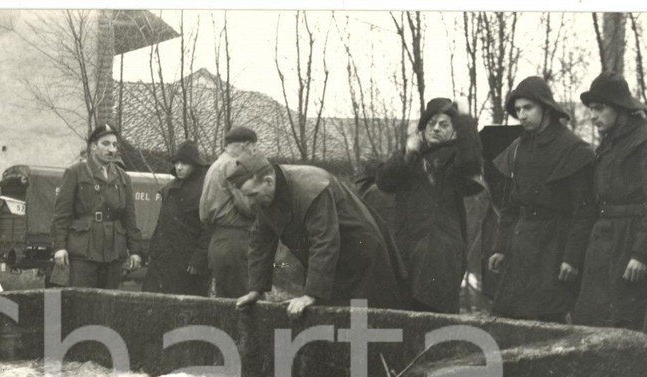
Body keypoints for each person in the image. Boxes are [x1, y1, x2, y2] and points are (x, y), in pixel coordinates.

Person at [229, 151, 410, 318]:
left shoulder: (311, 186)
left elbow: (325, 240)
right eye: (245, 195)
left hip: (360, 255)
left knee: (365, 321)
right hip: (331, 260)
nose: (249, 202)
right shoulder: (266, 196)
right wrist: (256, 289)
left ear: (268, 181)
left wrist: (311, 294)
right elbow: (261, 241)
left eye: (252, 194)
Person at [487, 76, 596, 322]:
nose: (522, 115)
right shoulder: (516, 149)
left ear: (546, 107)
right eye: (517, 110)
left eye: (528, 108)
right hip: (519, 248)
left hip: (553, 251)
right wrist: (500, 247)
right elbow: (509, 206)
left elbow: (583, 212)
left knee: (548, 324)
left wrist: (572, 258)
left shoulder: (572, 148)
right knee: (509, 322)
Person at [376, 98, 484, 313]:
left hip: (441, 255)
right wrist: (408, 154)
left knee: (436, 315)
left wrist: (465, 122)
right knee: (405, 313)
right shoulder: (409, 157)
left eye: (444, 125)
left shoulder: (455, 158)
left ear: (453, 131)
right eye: (431, 123)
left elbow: (471, 163)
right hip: (406, 250)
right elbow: (384, 182)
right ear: (422, 129)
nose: (436, 128)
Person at [572, 72, 647, 333]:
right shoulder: (609, 144)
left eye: (599, 108)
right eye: (591, 109)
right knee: (593, 320)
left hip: (630, 244)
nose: (593, 115)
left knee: (626, 321)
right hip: (603, 241)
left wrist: (641, 253)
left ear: (620, 109)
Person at [51, 123, 142, 289]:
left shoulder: (123, 178)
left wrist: (135, 250)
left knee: (109, 304)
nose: (111, 150)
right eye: (105, 144)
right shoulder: (75, 172)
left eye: (114, 145)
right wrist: (59, 247)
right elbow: (61, 215)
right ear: (93, 147)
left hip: (114, 251)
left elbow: (129, 217)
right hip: (84, 251)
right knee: (82, 303)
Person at [142, 140, 211, 297]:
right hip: (162, 259)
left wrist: (198, 259)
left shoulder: (204, 190)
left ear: (195, 164)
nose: (179, 167)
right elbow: (161, 223)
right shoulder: (170, 188)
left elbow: (208, 229)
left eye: (184, 163)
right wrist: (152, 250)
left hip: (186, 263)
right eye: (177, 163)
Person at [199, 126, 260, 298]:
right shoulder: (234, 165)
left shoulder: (217, 165)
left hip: (218, 241)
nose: (254, 153)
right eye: (254, 148)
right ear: (246, 145)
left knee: (225, 301)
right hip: (237, 241)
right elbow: (247, 207)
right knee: (249, 299)